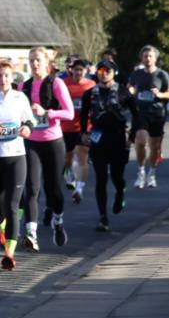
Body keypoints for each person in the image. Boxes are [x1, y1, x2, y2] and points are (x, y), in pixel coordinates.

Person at [0, 60, 35, 270]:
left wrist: (27, 129)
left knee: (13, 206)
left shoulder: (20, 98)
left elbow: (31, 121)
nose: (3, 79)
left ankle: (9, 254)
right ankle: (0, 228)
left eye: (6, 75)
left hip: (16, 156)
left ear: (12, 78)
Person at [19, 47, 74, 250]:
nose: (34, 64)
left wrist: (47, 112)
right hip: (31, 142)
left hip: (53, 142)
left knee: (54, 190)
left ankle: (58, 221)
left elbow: (68, 113)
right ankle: (31, 234)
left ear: (47, 62)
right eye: (31, 60)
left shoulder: (56, 83)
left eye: (38, 60)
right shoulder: (23, 87)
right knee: (32, 189)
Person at [80, 59, 137, 232]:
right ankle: (103, 217)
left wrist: (132, 136)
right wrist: (84, 132)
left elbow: (136, 113)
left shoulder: (123, 92)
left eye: (107, 70)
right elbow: (83, 114)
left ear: (114, 73)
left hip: (118, 138)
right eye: (100, 70)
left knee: (117, 177)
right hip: (98, 139)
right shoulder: (90, 93)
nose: (103, 73)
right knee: (101, 178)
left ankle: (121, 191)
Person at [127, 45, 169, 189]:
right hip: (141, 112)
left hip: (157, 114)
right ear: (141, 58)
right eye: (145, 56)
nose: (147, 58)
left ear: (155, 58)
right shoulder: (137, 74)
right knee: (140, 141)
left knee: (155, 147)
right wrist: (131, 90)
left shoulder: (162, 75)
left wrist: (159, 94)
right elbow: (130, 86)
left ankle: (151, 173)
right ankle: (141, 172)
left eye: (150, 56)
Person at [62, 58, 96, 204]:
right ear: (72, 71)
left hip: (84, 127)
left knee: (82, 156)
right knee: (67, 158)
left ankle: (79, 189)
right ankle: (69, 173)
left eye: (81, 70)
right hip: (66, 127)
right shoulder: (64, 84)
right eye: (76, 69)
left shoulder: (91, 85)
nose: (78, 72)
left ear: (86, 71)